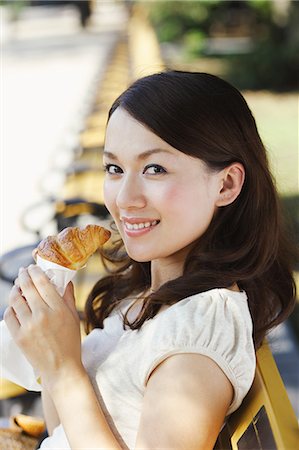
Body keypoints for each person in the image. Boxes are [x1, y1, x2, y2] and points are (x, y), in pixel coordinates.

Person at [4, 71, 297, 449]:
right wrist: (51, 351)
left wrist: (63, 368)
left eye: (154, 169)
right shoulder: (147, 291)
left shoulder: (198, 337)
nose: (125, 198)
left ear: (226, 185)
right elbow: (64, 433)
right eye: (114, 169)